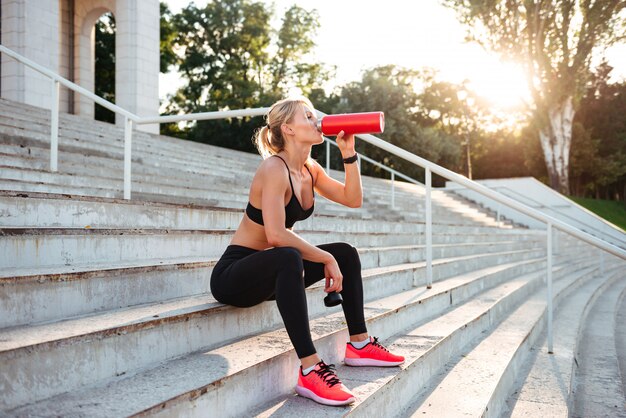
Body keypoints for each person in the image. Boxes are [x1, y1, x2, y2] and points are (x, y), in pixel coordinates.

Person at [210, 97, 404, 407]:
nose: (317, 121)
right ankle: (310, 368)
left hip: (273, 275)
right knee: (291, 255)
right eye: (308, 116)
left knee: (345, 253)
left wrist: (348, 153)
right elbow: (275, 235)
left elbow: (352, 199)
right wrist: (323, 258)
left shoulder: (309, 169)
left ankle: (359, 343)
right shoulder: (273, 167)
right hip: (234, 276)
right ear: (288, 128)